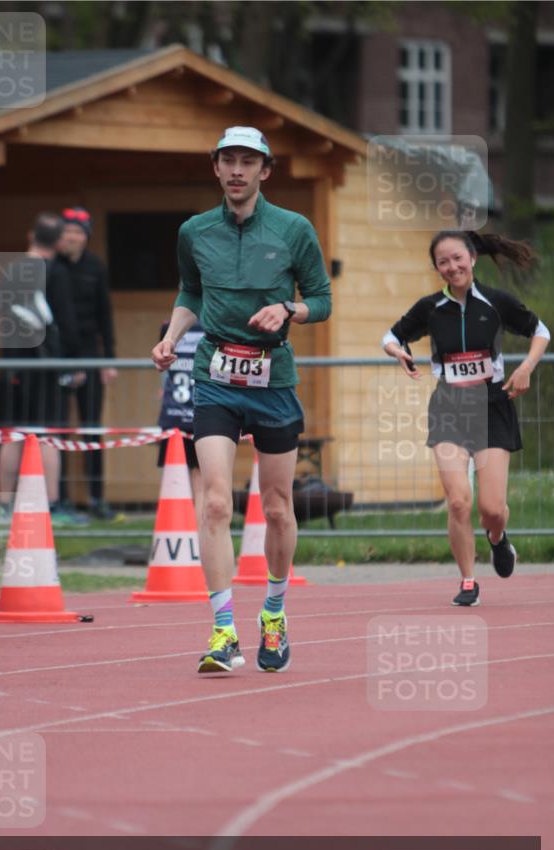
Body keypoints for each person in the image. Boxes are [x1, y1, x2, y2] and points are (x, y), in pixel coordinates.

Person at [152, 126, 331, 674]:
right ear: (216, 168)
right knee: (213, 501)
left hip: (272, 377)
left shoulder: (294, 229)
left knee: (277, 507)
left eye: (247, 162)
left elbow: (320, 299)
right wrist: (172, 336)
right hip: (215, 376)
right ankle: (223, 628)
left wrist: (289, 310)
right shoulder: (194, 231)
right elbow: (190, 291)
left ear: (264, 171)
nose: (236, 170)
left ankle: (272, 614)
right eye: (227, 160)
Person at [382, 229, 551, 607]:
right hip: (448, 408)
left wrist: (525, 367)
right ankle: (469, 580)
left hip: (492, 406)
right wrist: (399, 353)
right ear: (437, 268)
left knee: (491, 509)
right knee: (458, 500)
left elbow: (540, 331)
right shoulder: (430, 308)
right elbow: (390, 336)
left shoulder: (495, 302)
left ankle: (497, 537)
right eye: (443, 261)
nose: (452, 266)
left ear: (472, 258)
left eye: (458, 258)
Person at [0, 212, 83, 526]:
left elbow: (0, 311)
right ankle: (52, 505)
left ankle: (4, 506)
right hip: (46, 365)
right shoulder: (56, 273)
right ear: (58, 241)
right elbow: (66, 321)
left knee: (11, 434)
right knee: (48, 434)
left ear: (31, 236)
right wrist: (75, 360)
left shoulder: (11, 271)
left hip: (13, 362)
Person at [57, 207, 118, 520]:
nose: (72, 236)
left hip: (91, 355)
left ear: (86, 237)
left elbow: (105, 315)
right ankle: (61, 499)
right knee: (57, 430)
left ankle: (97, 499)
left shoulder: (96, 266)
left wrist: (109, 359)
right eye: (67, 231)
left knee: (92, 427)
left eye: (78, 232)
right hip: (56, 357)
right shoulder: (50, 265)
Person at [156, 319, 204, 520]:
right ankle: (197, 534)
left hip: (175, 412)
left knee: (176, 479)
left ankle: (181, 529)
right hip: (205, 411)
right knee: (201, 480)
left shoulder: (169, 328)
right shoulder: (215, 326)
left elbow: (163, 368)